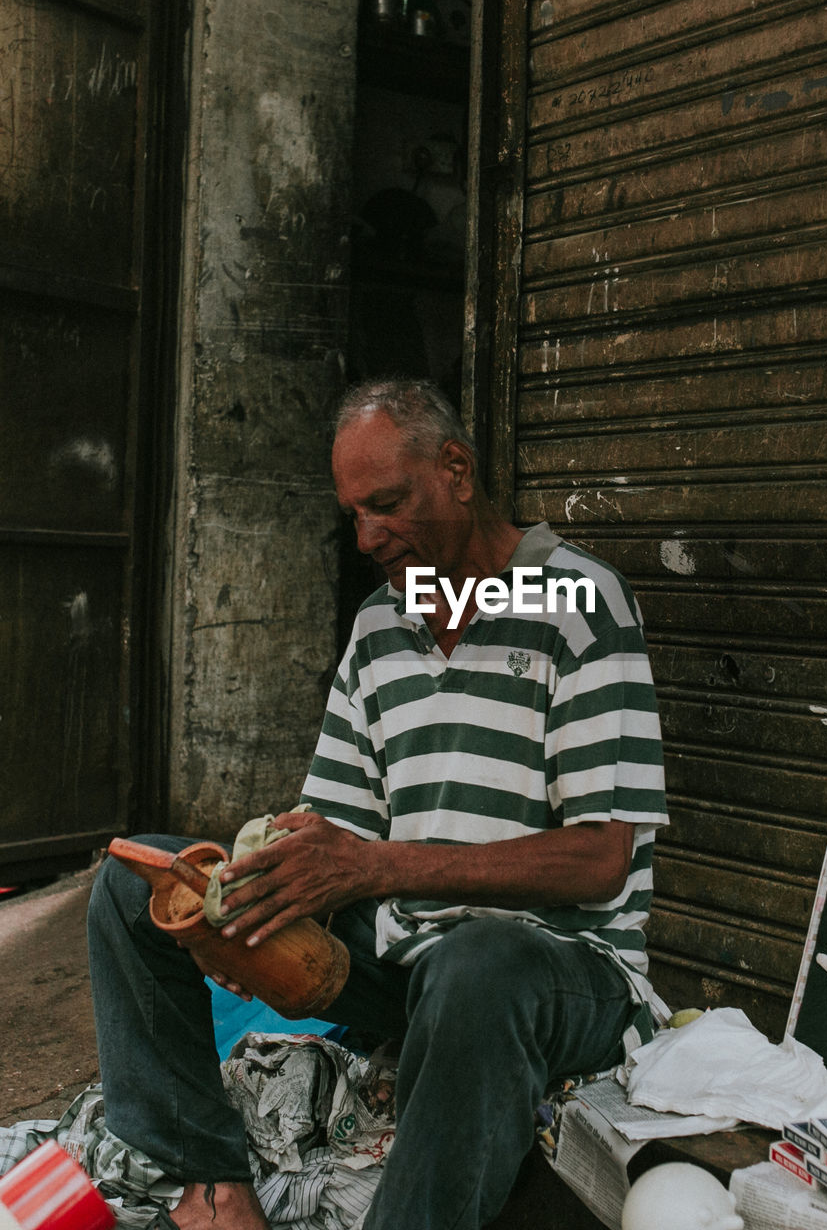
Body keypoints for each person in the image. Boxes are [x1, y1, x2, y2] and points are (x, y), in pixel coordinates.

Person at [87, 378, 669, 1230]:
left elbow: (600, 858)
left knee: (480, 963)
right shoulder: (379, 626)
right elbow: (338, 832)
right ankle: (215, 1190)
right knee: (135, 884)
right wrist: (265, 872)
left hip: (551, 976)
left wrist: (374, 864)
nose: (368, 537)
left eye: (387, 505)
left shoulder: (578, 604)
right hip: (405, 961)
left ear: (457, 471)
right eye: (354, 514)